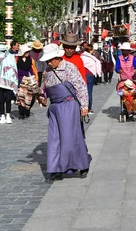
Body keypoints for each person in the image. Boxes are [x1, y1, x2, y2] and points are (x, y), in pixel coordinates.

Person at [39, 44, 91, 181]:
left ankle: (79, 164)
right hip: (55, 108)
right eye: (47, 61)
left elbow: (81, 87)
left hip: (68, 106)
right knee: (55, 138)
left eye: (51, 60)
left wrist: (84, 106)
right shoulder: (48, 70)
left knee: (69, 136)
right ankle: (56, 168)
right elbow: (44, 87)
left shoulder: (69, 68)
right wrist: (42, 97)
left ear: (58, 57)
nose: (49, 63)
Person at [0, 43, 18, 124]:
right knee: (1, 99)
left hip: (9, 81)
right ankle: (2, 115)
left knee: (8, 98)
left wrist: (14, 79)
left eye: (4, 51)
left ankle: (8, 115)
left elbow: (14, 68)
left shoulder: (11, 57)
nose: (2, 52)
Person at [16, 44, 38, 119]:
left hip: (29, 79)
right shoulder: (17, 59)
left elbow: (34, 68)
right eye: (26, 52)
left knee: (30, 96)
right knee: (21, 96)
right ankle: (21, 112)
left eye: (28, 51)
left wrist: (36, 78)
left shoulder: (30, 59)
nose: (28, 53)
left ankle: (27, 109)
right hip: (20, 79)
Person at [81, 43, 102, 114]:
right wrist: (98, 73)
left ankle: (82, 106)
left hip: (82, 75)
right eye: (92, 49)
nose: (93, 51)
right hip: (90, 75)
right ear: (89, 50)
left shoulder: (81, 57)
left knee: (82, 91)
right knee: (89, 91)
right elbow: (97, 63)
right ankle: (89, 108)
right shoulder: (92, 58)